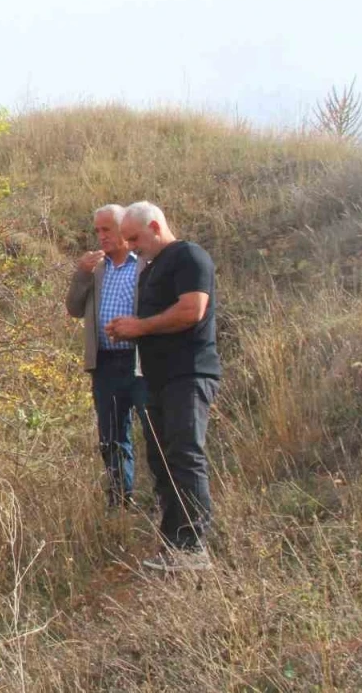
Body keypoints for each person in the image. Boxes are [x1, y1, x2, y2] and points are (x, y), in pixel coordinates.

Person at [107, 202, 221, 572]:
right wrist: (130, 327)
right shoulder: (151, 269)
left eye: (135, 238)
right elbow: (155, 320)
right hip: (156, 379)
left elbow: (192, 311)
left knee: (186, 456)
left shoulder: (189, 256)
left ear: (155, 226)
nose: (132, 246)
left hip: (188, 374)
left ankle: (192, 549)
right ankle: (173, 547)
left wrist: (139, 327)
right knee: (163, 461)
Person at [65, 204, 148, 508]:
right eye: (97, 230)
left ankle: (168, 500)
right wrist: (81, 274)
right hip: (105, 364)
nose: (101, 237)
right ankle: (120, 502)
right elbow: (73, 308)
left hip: (142, 363)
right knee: (111, 437)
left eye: (107, 230)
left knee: (154, 431)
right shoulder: (95, 269)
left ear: (124, 229)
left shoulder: (145, 265)